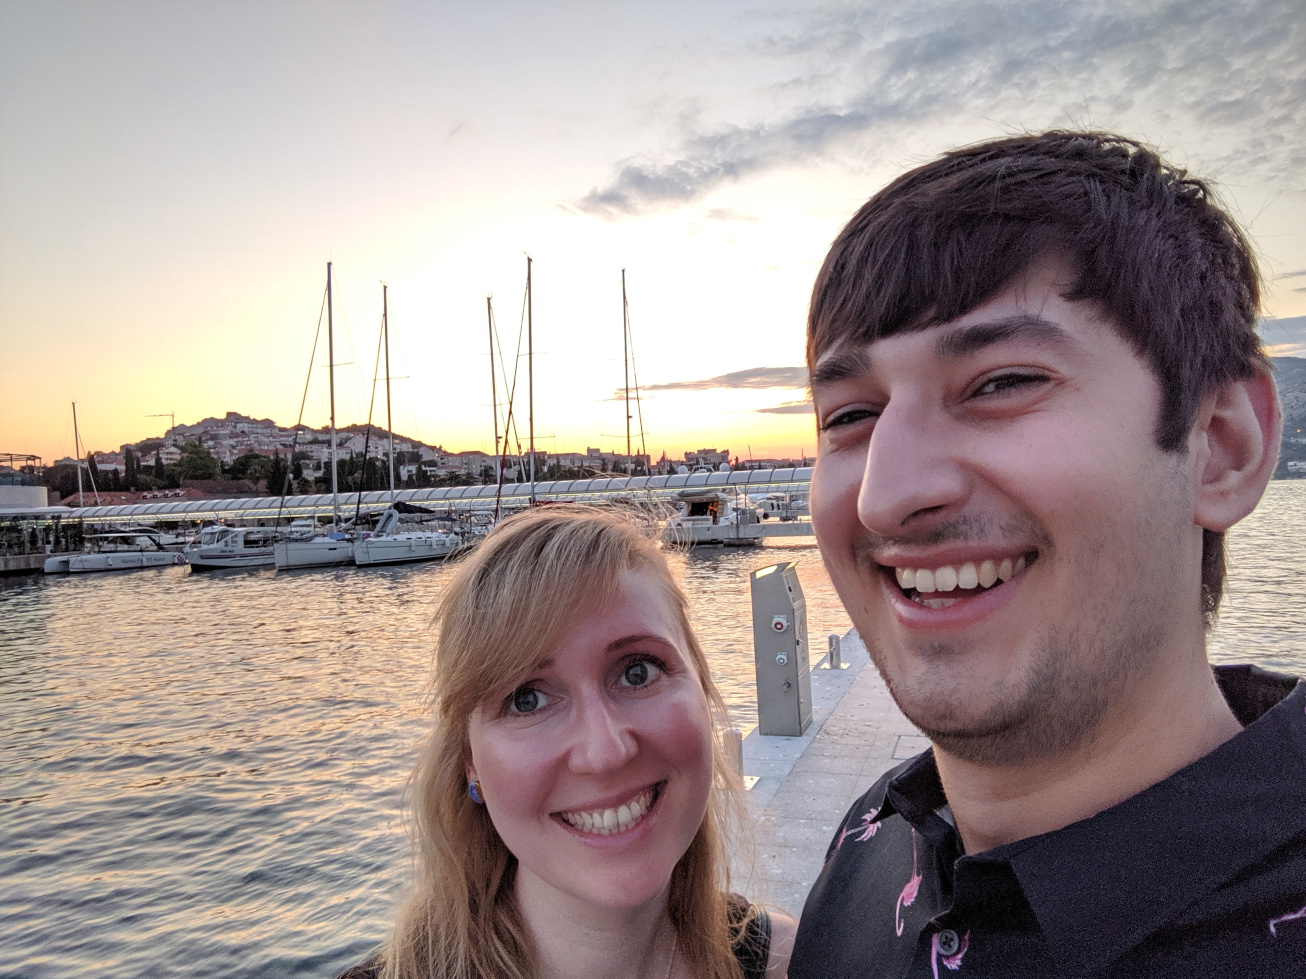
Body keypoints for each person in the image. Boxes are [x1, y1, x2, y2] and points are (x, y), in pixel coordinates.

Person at [791, 131, 1306, 976]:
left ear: (1221, 445)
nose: (887, 495)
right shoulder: (870, 846)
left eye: (1002, 382)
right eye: (850, 415)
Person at [339, 506, 795, 979]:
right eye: (527, 699)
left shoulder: (792, 961)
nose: (604, 753)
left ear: (702, 688)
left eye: (638, 671)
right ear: (469, 761)